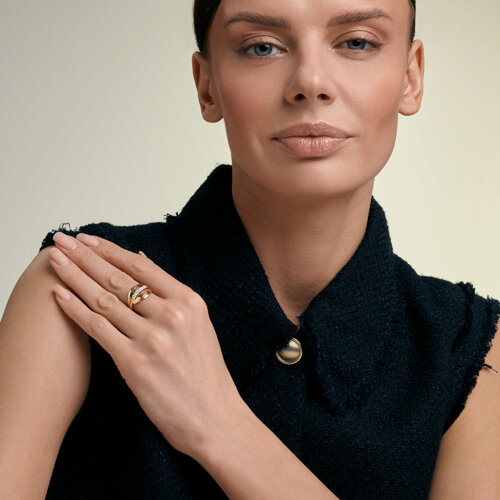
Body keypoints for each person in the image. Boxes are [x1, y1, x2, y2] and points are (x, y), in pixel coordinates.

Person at [1, 0, 499, 499]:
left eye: (356, 42)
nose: (311, 82)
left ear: (410, 77)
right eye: (262, 47)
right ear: (207, 85)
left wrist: (218, 424)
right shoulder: (81, 284)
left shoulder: (467, 347)